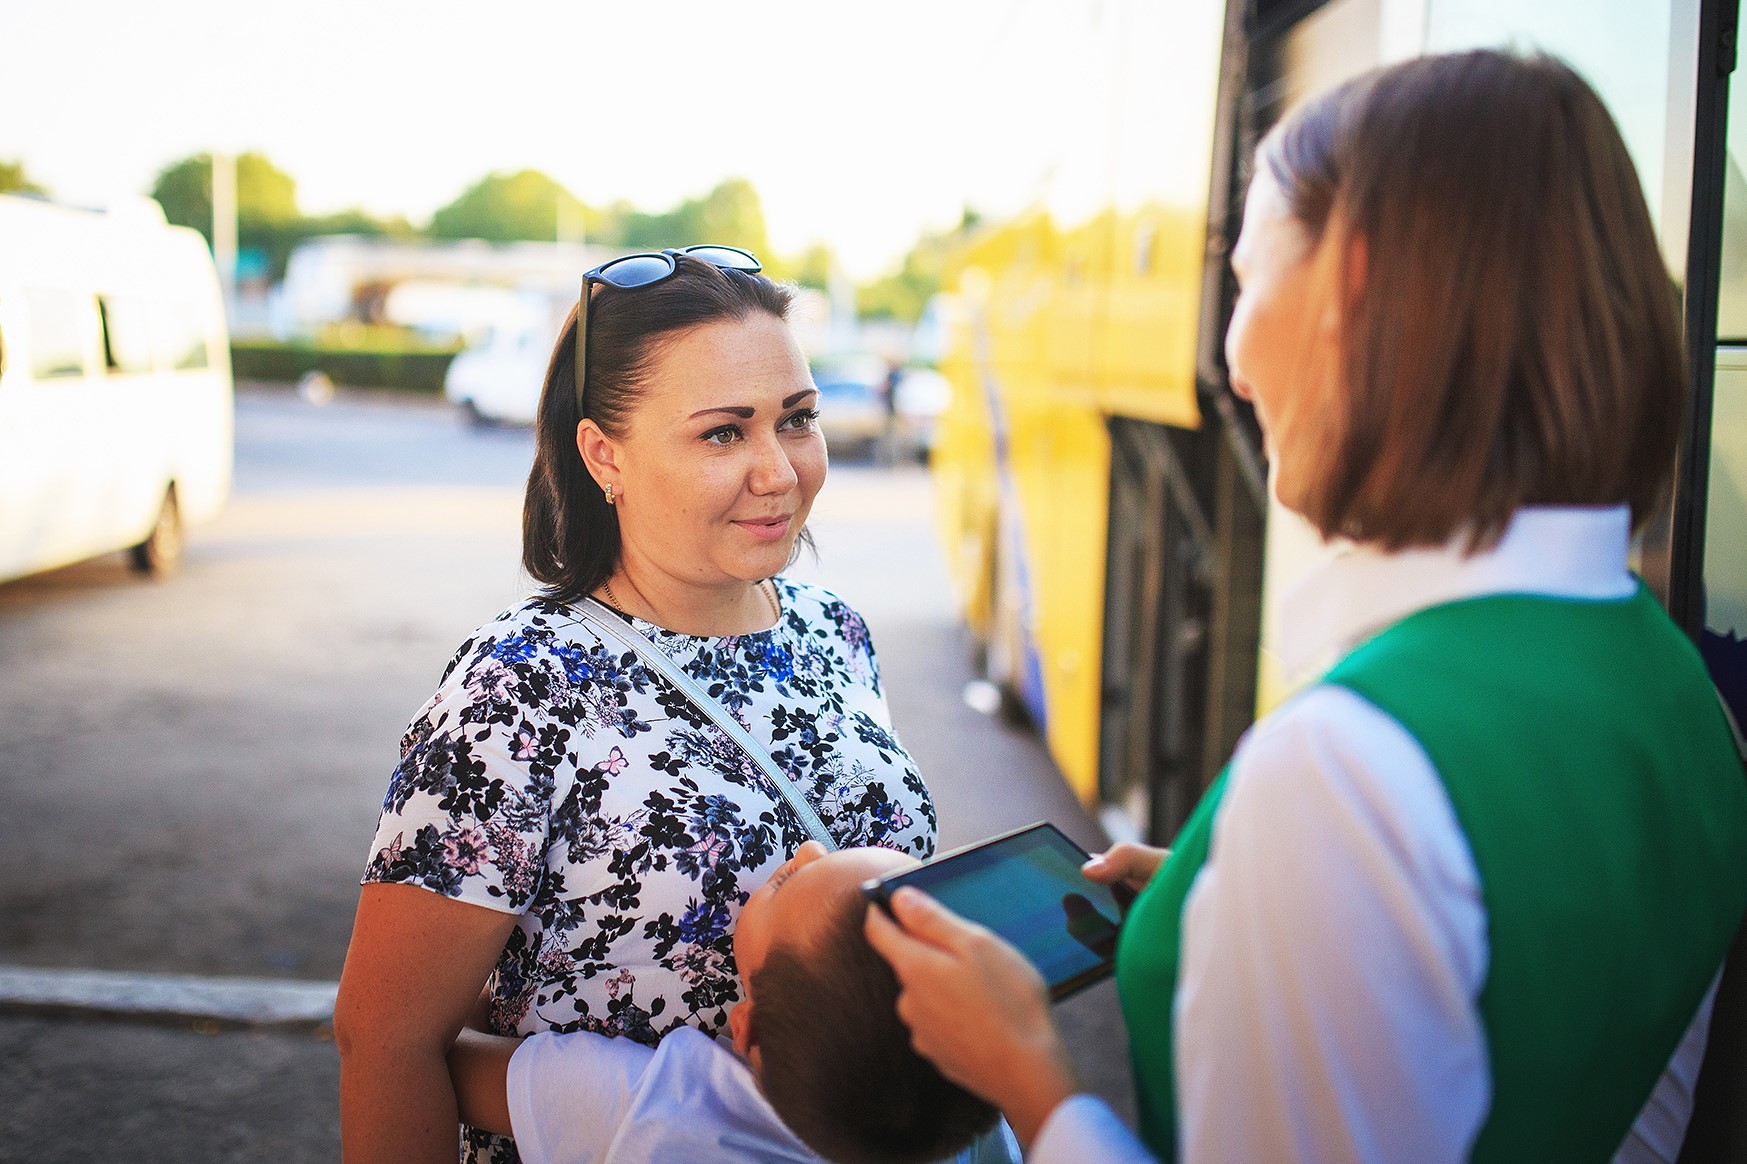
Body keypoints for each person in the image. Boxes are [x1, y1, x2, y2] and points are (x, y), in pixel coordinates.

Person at [865, 49, 1747, 1164]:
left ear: (1350, 294)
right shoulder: (1677, 685)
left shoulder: (1342, 769)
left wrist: (1029, 1078)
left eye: (1245, 283)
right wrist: (1237, 908)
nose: (1232, 366)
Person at [334, 249, 940, 1164]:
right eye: (722, 433)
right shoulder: (521, 684)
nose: (779, 471)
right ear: (602, 454)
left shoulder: (832, 629)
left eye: (796, 419)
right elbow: (386, 1041)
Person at [445, 841, 1004, 1164]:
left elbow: (442, 1055)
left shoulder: (659, 1106)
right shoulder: (974, 1139)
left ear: (749, 1030)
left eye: (785, 883)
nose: (808, 847)